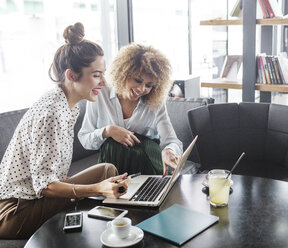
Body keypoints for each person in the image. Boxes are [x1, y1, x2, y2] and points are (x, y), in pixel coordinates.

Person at [0, 23, 130, 239]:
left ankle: (119, 227)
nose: (104, 82)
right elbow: (46, 186)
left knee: (107, 171)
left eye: (103, 74)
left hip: (36, 197)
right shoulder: (51, 113)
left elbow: (52, 175)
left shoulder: (67, 105)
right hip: (14, 212)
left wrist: (98, 185)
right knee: (103, 183)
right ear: (71, 75)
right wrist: (97, 189)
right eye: (97, 75)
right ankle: (116, 234)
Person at [78, 43, 182, 177]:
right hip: (113, 166)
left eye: (149, 85)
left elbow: (172, 141)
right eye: (138, 80)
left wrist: (169, 151)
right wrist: (108, 131)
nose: (142, 89)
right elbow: (85, 139)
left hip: (148, 163)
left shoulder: (155, 102)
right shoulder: (100, 93)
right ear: (124, 73)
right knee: (111, 145)